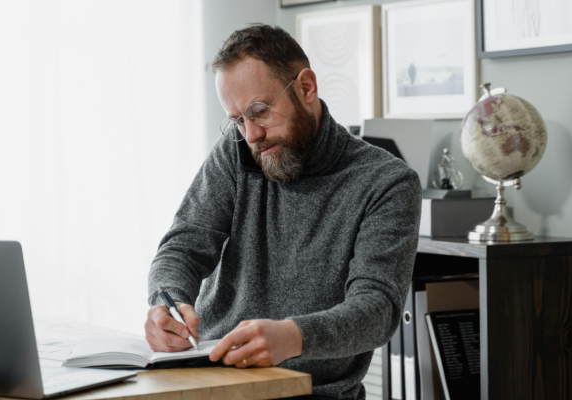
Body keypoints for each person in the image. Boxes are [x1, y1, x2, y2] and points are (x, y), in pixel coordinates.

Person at [145, 24, 421, 399]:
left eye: (259, 112)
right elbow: (184, 245)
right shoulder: (236, 150)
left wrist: (293, 337)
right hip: (210, 380)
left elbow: (377, 311)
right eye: (238, 120)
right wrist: (168, 301)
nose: (251, 135)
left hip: (312, 392)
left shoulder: (386, 182)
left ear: (306, 87)